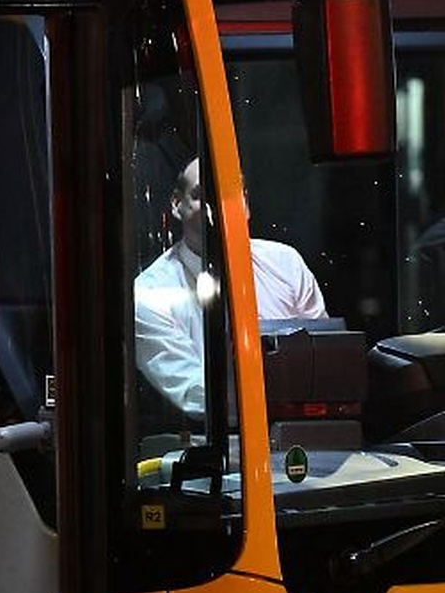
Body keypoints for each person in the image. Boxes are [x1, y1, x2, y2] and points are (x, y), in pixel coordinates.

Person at [134, 157, 327, 417]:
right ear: (177, 205)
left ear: (246, 204)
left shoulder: (286, 263)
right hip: (211, 444)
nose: (217, 206)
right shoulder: (150, 294)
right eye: (203, 195)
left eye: (230, 193)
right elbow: (195, 393)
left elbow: (324, 360)